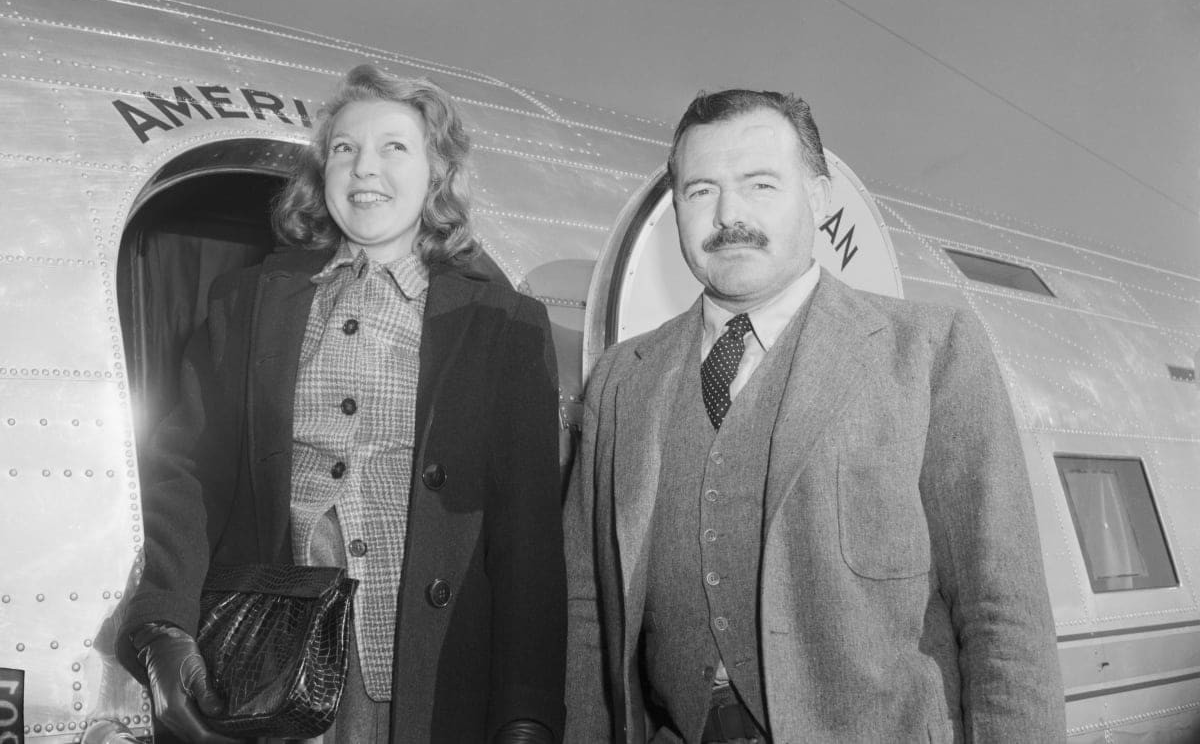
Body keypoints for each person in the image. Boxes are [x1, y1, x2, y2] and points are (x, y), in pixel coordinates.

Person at [563, 89, 1066, 743]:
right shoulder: (619, 382)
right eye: (700, 191)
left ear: (821, 198)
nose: (729, 214)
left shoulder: (930, 351)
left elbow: (1002, 606)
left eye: (760, 184)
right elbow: (585, 610)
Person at [118, 64, 567, 744]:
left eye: (395, 147)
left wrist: (527, 709)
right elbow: (187, 475)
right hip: (272, 664)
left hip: (433, 671)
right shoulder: (243, 304)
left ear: (436, 173)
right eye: (344, 148)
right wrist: (163, 626)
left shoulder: (504, 325)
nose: (365, 168)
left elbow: (527, 535)